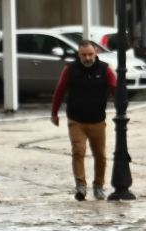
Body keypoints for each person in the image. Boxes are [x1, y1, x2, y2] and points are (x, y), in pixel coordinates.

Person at [51, 40, 116, 201]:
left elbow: (115, 88)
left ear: (95, 53)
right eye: (83, 55)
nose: (87, 58)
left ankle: (99, 186)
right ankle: (80, 185)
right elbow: (60, 91)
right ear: (78, 54)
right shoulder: (70, 69)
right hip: (76, 120)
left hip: (98, 120)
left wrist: (121, 106)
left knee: (100, 155)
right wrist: (54, 112)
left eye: (90, 54)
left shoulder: (105, 69)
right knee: (78, 151)